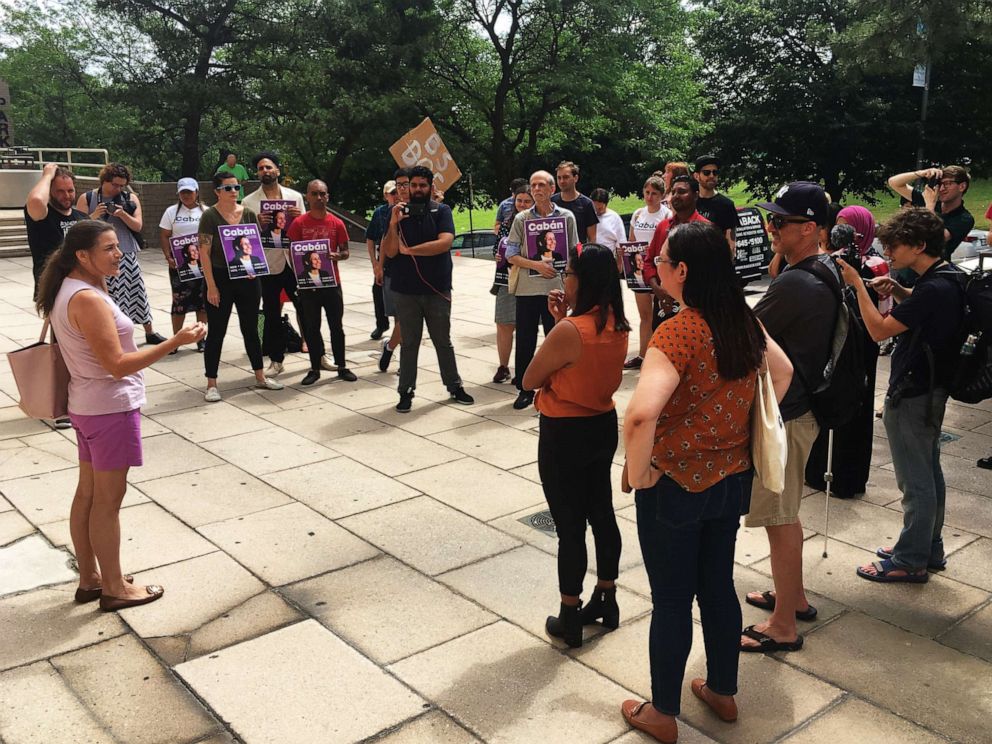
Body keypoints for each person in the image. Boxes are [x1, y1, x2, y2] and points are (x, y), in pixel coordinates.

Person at [620, 222, 793, 744]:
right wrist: (736, 427)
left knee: (672, 600)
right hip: (731, 480)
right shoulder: (742, 320)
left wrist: (637, 470)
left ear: (684, 271)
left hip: (674, 485)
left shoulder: (678, 330)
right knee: (718, 587)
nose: (656, 265)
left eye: (663, 258)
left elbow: (640, 415)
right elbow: (782, 373)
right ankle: (723, 691)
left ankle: (663, 713)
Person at [36, 220, 207, 610]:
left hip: (88, 406)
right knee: (107, 501)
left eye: (118, 246)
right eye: (109, 248)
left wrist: (103, 284)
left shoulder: (73, 289)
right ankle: (113, 587)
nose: (119, 254)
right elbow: (117, 364)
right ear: (82, 256)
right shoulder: (87, 299)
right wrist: (176, 341)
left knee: (89, 494)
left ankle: (91, 578)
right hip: (109, 408)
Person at [836, 208, 966, 582]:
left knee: (915, 479)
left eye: (895, 245)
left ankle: (910, 560)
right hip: (932, 386)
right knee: (929, 471)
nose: (888, 251)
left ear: (919, 246)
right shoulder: (947, 277)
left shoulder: (934, 288)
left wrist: (858, 287)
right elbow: (928, 309)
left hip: (913, 390)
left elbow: (879, 331)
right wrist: (900, 289)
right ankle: (929, 546)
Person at [742, 181, 836, 653]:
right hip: (804, 409)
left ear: (813, 228)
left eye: (782, 221)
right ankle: (793, 598)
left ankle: (783, 626)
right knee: (787, 514)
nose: (772, 226)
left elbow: (745, 333)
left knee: (780, 518)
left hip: (787, 414)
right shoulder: (821, 269)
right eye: (772, 218)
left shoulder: (797, 282)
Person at [521, 243, 630, 648]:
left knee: (569, 526)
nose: (563, 279)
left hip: (564, 431)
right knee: (602, 513)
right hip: (601, 425)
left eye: (568, 273)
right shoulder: (618, 323)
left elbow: (530, 378)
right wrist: (562, 318)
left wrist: (560, 324)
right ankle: (607, 596)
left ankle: (570, 613)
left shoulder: (571, 330)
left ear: (581, 281)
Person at [804, 205, 887, 498]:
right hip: (834, 341)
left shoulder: (876, 265)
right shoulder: (828, 262)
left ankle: (848, 477)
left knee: (857, 407)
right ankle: (818, 470)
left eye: (849, 228)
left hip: (863, 342)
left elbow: (884, 311)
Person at [381, 165, 474, 411]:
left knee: (443, 340)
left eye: (423, 185)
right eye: (413, 185)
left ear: (431, 187)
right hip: (405, 290)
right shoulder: (397, 213)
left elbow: (444, 243)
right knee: (410, 343)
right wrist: (392, 225)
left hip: (437, 289)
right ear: (407, 186)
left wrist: (410, 251)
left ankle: (454, 385)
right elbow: (390, 251)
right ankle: (406, 391)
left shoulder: (441, 211)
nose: (418, 189)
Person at [198, 172, 284, 402]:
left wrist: (254, 269)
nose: (234, 191)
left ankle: (260, 376)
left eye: (236, 187)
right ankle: (212, 383)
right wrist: (211, 286)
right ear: (217, 191)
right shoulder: (209, 216)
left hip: (247, 278)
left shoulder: (247, 213)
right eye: (228, 188)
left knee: (251, 328)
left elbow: (254, 246)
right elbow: (204, 253)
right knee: (217, 331)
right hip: (220, 277)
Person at [504, 170, 580, 410]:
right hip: (527, 289)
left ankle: (558, 386)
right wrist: (536, 264)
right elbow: (510, 254)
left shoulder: (566, 217)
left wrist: (569, 283)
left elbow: (574, 251)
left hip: (555, 289)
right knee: (525, 339)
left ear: (551, 189)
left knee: (556, 339)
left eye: (541, 185)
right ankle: (525, 389)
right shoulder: (521, 219)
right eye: (533, 185)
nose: (536, 189)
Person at [77, 163, 166, 346]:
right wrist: (94, 215)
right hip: (98, 255)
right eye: (114, 184)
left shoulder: (129, 198)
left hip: (126, 251)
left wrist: (123, 214)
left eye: (121, 185)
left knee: (136, 291)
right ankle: (110, 331)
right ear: (104, 181)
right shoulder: (87, 198)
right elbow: (78, 229)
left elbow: (138, 226)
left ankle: (149, 330)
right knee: (107, 295)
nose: (118, 189)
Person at [285, 179, 358, 386]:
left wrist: (338, 255)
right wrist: (300, 273)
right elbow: (292, 251)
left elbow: (345, 251)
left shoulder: (336, 223)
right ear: (307, 197)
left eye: (322, 194)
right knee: (312, 327)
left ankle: (342, 365)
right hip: (308, 286)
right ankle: (314, 367)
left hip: (331, 283)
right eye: (314, 194)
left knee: (337, 326)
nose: (319, 198)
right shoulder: (299, 223)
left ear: (328, 196)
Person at [241, 150, 305, 376]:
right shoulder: (249, 202)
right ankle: (276, 359)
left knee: (306, 308)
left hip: (293, 262)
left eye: (269, 167)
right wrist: (257, 223)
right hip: (268, 264)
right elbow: (244, 240)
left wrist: (298, 219)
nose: (265, 171)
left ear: (278, 170)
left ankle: (318, 354)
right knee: (271, 313)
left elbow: (303, 231)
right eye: (260, 168)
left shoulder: (295, 197)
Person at [642, 176, 710, 329]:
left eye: (682, 191)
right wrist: (657, 289)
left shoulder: (706, 229)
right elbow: (649, 262)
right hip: (663, 304)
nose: (676, 196)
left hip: (696, 307)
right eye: (673, 192)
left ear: (696, 195)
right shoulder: (663, 227)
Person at [624, 174, 671, 370]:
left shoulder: (667, 215)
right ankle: (643, 355)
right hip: (639, 268)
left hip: (659, 268)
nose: (650, 197)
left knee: (660, 312)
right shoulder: (637, 214)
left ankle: (661, 354)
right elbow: (632, 240)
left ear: (662, 195)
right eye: (647, 192)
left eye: (654, 193)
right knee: (645, 315)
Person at [158, 177, 206, 353]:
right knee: (179, 302)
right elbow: (164, 235)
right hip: (180, 265)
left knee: (202, 303)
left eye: (190, 192)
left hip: (202, 264)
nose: (186, 195)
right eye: (183, 192)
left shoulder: (205, 211)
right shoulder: (171, 212)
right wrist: (168, 256)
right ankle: (176, 340)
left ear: (196, 192)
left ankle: (201, 339)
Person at [887, 166, 975, 262]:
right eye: (939, 184)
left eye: (947, 184)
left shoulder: (964, 218)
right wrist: (922, 173)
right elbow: (894, 182)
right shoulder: (929, 201)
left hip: (934, 271)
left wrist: (929, 206)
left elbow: (934, 238)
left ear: (962, 186)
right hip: (908, 268)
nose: (941, 188)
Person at [491, 185, 533, 384]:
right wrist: (498, 255)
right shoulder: (507, 222)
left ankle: (525, 368)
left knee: (526, 326)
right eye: (519, 200)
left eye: (526, 201)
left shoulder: (537, 222)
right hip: (506, 278)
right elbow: (497, 247)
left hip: (531, 279)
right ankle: (503, 366)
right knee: (503, 323)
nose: (522, 204)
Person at [25, 162, 87, 296]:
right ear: (49, 191)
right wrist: (47, 175)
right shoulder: (42, 216)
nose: (66, 195)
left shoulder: (82, 218)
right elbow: (36, 200)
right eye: (60, 191)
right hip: (53, 287)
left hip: (80, 286)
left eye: (70, 190)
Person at [376, 169, 411, 373]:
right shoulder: (391, 211)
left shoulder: (426, 208)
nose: (403, 189)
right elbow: (382, 239)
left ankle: (392, 350)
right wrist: (379, 266)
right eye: (400, 186)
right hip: (394, 271)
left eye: (408, 185)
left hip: (416, 272)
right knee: (402, 319)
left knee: (409, 321)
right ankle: (391, 349)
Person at [366, 180, 397, 340]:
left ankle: (399, 328)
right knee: (378, 291)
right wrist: (375, 264)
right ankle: (381, 324)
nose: (396, 196)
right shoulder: (380, 213)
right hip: (383, 258)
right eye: (392, 193)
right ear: (386, 196)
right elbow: (371, 239)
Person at [693, 155, 738, 251]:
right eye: (706, 173)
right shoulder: (691, 203)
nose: (711, 176)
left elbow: (731, 243)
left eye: (715, 172)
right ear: (696, 176)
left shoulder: (726, 205)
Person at [552, 161, 598, 243]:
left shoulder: (586, 204)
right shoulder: (551, 202)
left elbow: (592, 238)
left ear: (575, 178)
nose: (562, 181)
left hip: (578, 252)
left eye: (566, 177)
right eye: (559, 178)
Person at [589, 188, 625, 254]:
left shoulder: (614, 217)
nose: (597, 210)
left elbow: (621, 244)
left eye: (600, 208)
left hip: (609, 258)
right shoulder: (588, 215)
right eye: (594, 207)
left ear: (606, 204)